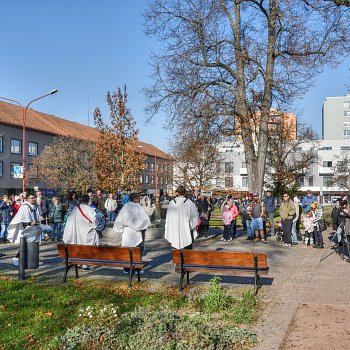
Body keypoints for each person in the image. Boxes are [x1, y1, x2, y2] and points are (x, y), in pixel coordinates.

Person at [113, 192, 151, 273]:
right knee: (137, 249)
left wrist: (120, 229)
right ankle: (137, 268)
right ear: (135, 199)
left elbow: (119, 219)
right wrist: (141, 227)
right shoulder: (138, 207)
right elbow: (146, 219)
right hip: (136, 232)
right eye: (138, 198)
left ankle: (126, 268)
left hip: (127, 231)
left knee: (126, 250)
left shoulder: (126, 206)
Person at [63, 194, 99, 270]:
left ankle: (79, 262)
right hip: (87, 233)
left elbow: (69, 220)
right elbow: (95, 222)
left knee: (79, 245)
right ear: (88, 200)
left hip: (77, 232)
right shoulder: (90, 209)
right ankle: (86, 264)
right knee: (88, 247)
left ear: (81, 200)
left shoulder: (75, 208)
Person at [7, 194, 42, 266]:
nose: (33, 199)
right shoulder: (24, 207)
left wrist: (39, 220)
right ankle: (16, 259)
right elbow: (22, 219)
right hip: (27, 228)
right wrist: (30, 223)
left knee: (34, 244)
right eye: (31, 198)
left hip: (34, 227)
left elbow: (36, 215)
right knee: (25, 246)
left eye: (34, 198)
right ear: (27, 199)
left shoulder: (35, 206)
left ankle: (33, 260)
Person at [165, 185, 199, 249]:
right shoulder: (189, 203)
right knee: (188, 251)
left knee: (176, 250)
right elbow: (195, 216)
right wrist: (192, 225)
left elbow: (168, 217)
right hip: (187, 230)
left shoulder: (172, 203)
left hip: (175, 230)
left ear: (177, 192)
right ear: (185, 192)